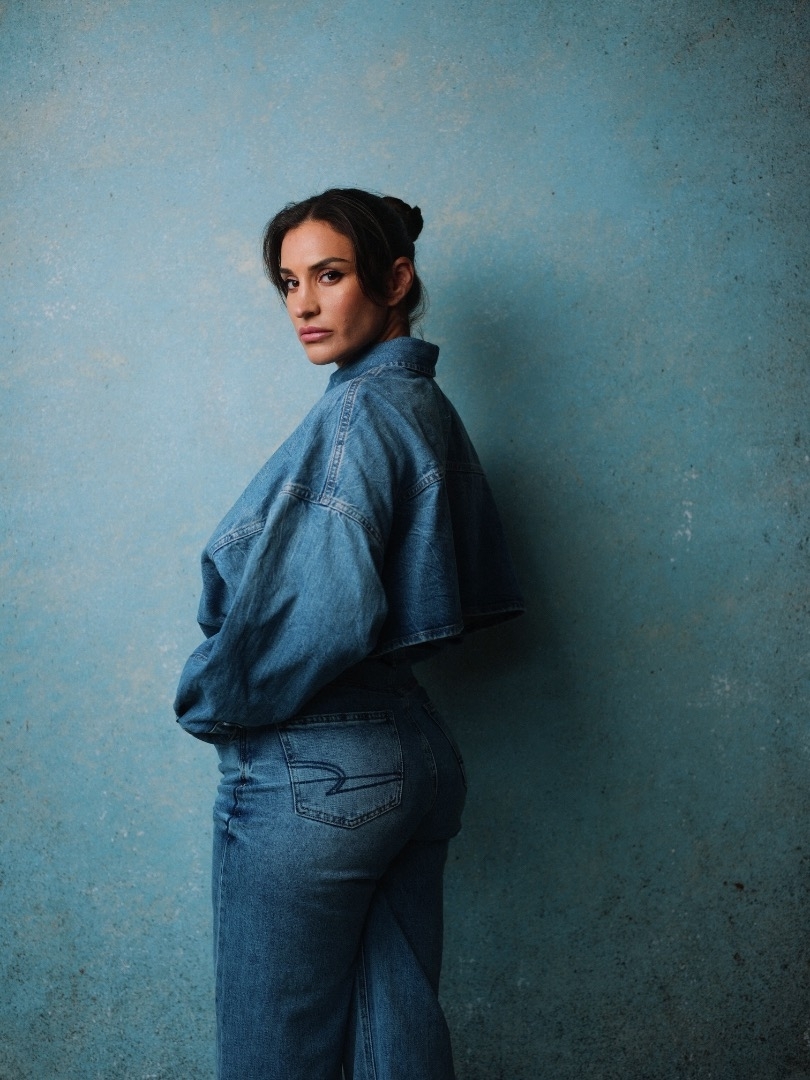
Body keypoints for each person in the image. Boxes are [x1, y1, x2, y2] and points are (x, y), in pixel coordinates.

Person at [174, 188, 524, 1080]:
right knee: (393, 1046)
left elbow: (319, 611)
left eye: (329, 275)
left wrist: (214, 704)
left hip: (317, 768)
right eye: (289, 282)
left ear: (395, 279)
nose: (303, 304)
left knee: (273, 1056)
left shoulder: (357, 415)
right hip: (415, 753)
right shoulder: (421, 404)